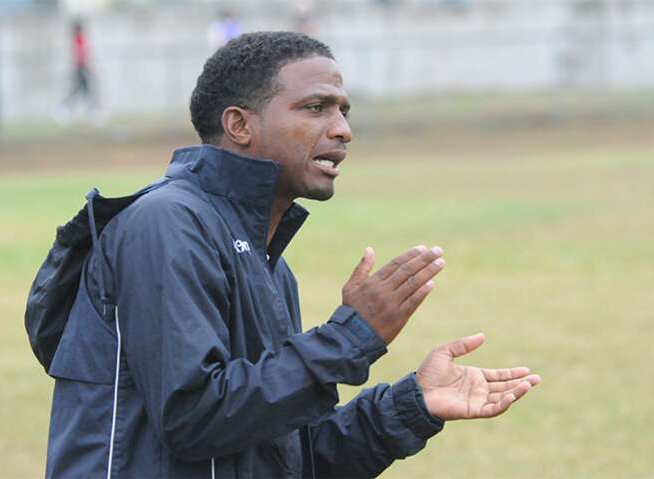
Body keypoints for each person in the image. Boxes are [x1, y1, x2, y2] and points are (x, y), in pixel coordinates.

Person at [43, 31, 540, 478]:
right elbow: (193, 418)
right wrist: (351, 337)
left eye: (344, 111)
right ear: (240, 125)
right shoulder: (167, 224)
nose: (342, 129)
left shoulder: (267, 263)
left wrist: (411, 406)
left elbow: (288, 458)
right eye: (316, 108)